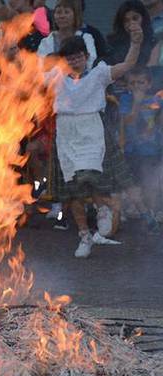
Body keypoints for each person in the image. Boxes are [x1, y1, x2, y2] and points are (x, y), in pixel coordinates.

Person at [50, 30, 144, 258]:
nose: (74, 61)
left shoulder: (99, 74)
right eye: (69, 58)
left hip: (91, 129)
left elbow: (128, 64)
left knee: (91, 182)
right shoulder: (55, 77)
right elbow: (26, 85)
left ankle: (108, 206)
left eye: (78, 56)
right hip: (65, 132)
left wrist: (135, 42)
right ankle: (84, 236)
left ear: (85, 56)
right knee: (73, 191)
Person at [118, 65, 163, 229]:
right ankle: (142, 212)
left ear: (149, 84)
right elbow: (128, 121)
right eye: (133, 83)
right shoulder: (125, 100)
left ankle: (151, 212)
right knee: (134, 184)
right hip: (132, 150)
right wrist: (136, 103)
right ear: (128, 85)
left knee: (151, 183)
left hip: (153, 149)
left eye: (141, 83)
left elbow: (159, 122)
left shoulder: (157, 100)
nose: (137, 86)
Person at [38, 0, 96, 70]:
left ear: (75, 15)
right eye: (58, 12)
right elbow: (41, 67)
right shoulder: (45, 42)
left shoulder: (86, 38)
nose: (62, 16)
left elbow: (90, 64)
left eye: (66, 12)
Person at [107, 1, 155, 68]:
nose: (131, 23)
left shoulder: (154, 40)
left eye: (135, 18)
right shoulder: (112, 44)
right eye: (126, 21)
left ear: (143, 18)